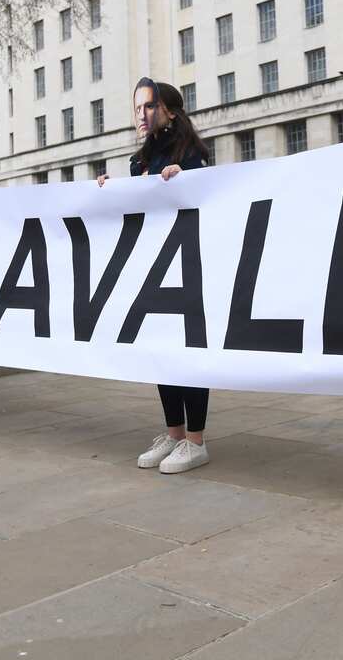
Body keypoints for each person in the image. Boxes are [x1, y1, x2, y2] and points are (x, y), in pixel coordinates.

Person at [98, 78, 212, 474]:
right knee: (160, 354)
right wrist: (109, 191)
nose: (141, 115)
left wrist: (187, 178)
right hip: (152, 268)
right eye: (137, 108)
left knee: (187, 353)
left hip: (186, 265)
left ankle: (196, 440)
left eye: (149, 107)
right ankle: (174, 434)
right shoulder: (139, 161)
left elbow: (206, 198)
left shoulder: (194, 154)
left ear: (170, 111)